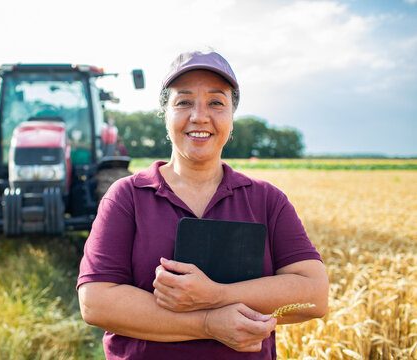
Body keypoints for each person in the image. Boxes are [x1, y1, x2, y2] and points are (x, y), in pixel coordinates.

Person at [77, 51, 329, 359]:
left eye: (216, 102)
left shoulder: (267, 200)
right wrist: (209, 324)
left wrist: (217, 294)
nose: (199, 116)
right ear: (165, 115)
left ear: (231, 118)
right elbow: (96, 302)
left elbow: (314, 296)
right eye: (183, 102)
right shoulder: (127, 196)